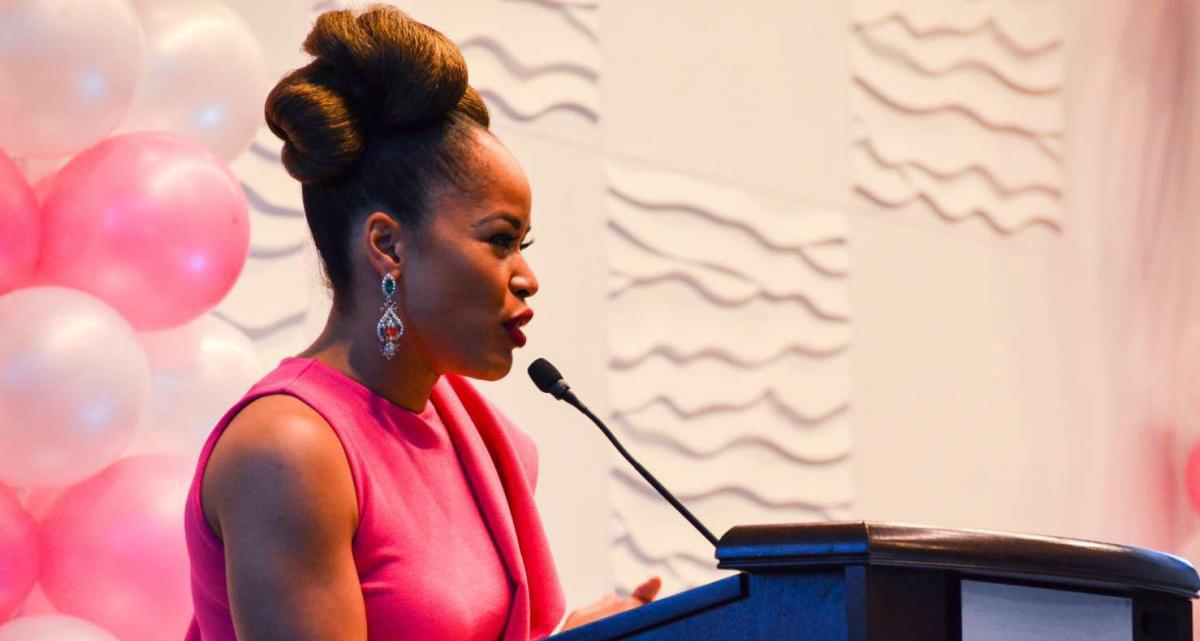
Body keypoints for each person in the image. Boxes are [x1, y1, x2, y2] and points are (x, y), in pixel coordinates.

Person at [181, 5, 660, 641]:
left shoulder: (480, 437)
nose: (526, 277)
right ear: (389, 245)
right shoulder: (290, 451)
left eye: (525, 245)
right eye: (499, 240)